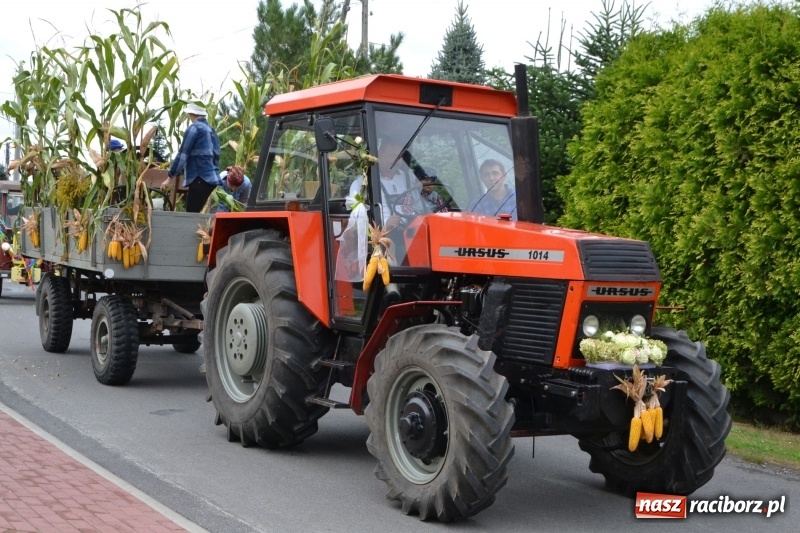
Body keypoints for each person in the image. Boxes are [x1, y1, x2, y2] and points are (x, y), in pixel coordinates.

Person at [161, 102, 221, 212]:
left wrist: (170, 177)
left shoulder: (194, 128)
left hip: (199, 177)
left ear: (191, 114)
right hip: (211, 178)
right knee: (195, 212)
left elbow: (183, 154)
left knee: (191, 215)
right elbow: (216, 154)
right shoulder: (211, 130)